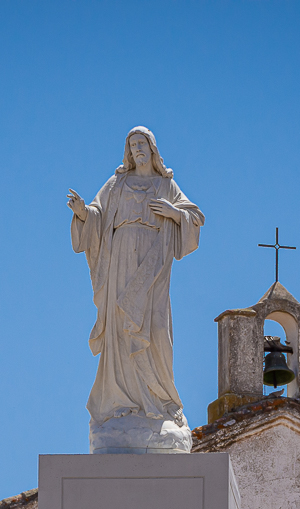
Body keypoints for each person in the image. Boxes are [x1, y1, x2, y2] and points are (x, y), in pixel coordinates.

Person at [67, 126, 204, 451]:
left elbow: (195, 217)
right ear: (127, 151)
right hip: (120, 262)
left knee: (155, 330)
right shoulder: (117, 184)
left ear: (152, 149)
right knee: (121, 332)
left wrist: (173, 212)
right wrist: (83, 214)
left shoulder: (165, 185)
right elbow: (97, 216)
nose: (138, 149)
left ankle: (161, 402)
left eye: (142, 143)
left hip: (153, 263)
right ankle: (120, 404)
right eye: (132, 145)